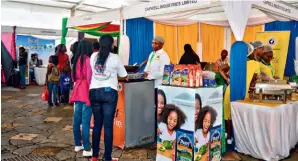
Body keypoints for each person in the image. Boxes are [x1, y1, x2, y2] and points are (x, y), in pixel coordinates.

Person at [90, 34, 128, 161]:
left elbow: (94, 72)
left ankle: (94, 156)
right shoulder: (115, 58)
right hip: (109, 93)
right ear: (112, 44)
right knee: (107, 126)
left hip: (94, 92)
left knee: (97, 125)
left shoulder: (93, 56)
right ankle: (107, 158)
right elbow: (124, 75)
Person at [69, 40, 93, 157]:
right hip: (86, 91)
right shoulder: (88, 60)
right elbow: (89, 79)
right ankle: (87, 148)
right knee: (85, 121)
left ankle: (78, 144)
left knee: (76, 120)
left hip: (77, 90)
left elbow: (73, 78)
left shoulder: (76, 59)